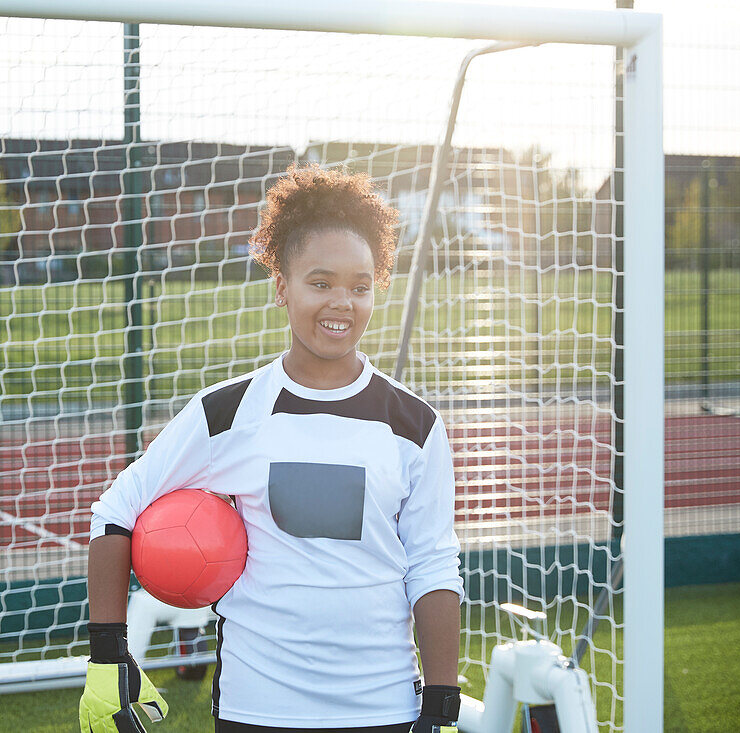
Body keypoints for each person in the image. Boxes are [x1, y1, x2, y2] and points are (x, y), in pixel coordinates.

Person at [79, 164, 463, 733]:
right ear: (282, 285)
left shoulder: (414, 426)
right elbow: (115, 515)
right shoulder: (228, 413)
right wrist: (109, 657)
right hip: (255, 709)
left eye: (360, 286)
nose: (342, 303)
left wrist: (441, 706)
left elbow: (433, 567)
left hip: (384, 710)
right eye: (321, 282)